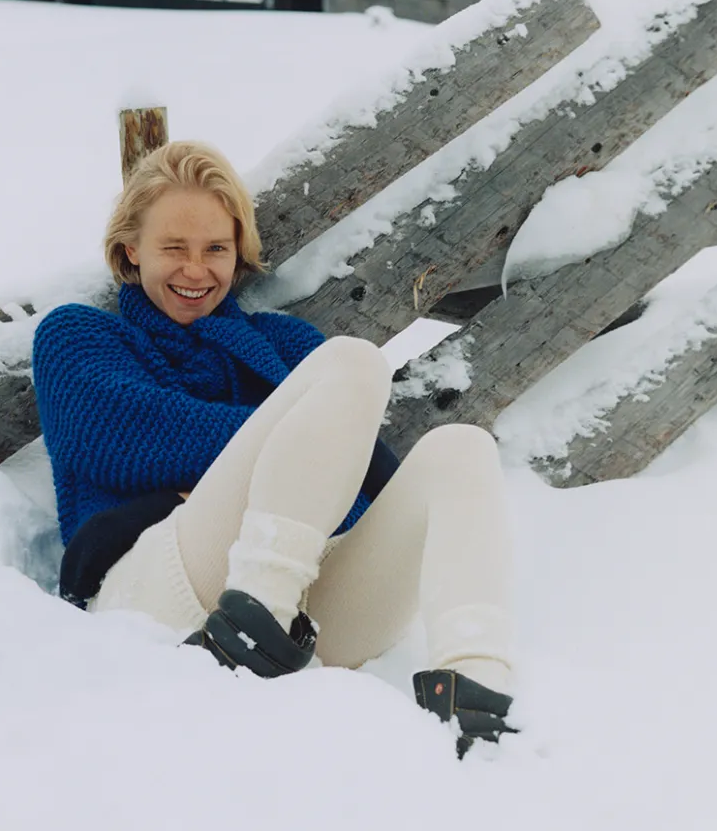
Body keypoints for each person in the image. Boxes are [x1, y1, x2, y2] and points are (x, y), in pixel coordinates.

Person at [32, 141, 517, 757]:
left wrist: (299, 467)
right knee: (353, 361)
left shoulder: (286, 346)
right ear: (131, 249)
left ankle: (477, 694)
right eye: (173, 248)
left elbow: (366, 490)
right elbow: (122, 434)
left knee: (461, 449)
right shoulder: (78, 336)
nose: (195, 270)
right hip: (155, 590)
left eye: (216, 249)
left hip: (306, 606)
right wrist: (298, 452)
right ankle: (251, 619)